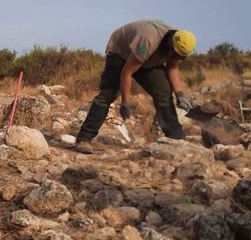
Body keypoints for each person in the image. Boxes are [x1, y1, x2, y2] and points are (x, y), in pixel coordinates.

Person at [73, 20, 197, 154]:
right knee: (107, 95)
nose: (176, 58)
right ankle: (84, 139)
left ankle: (175, 137)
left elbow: (172, 67)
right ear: (170, 46)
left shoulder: (179, 44)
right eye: (175, 54)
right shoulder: (147, 41)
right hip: (121, 54)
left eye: (181, 57)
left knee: (164, 93)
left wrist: (180, 95)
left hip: (147, 60)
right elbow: (127, 72)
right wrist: (125, 103)